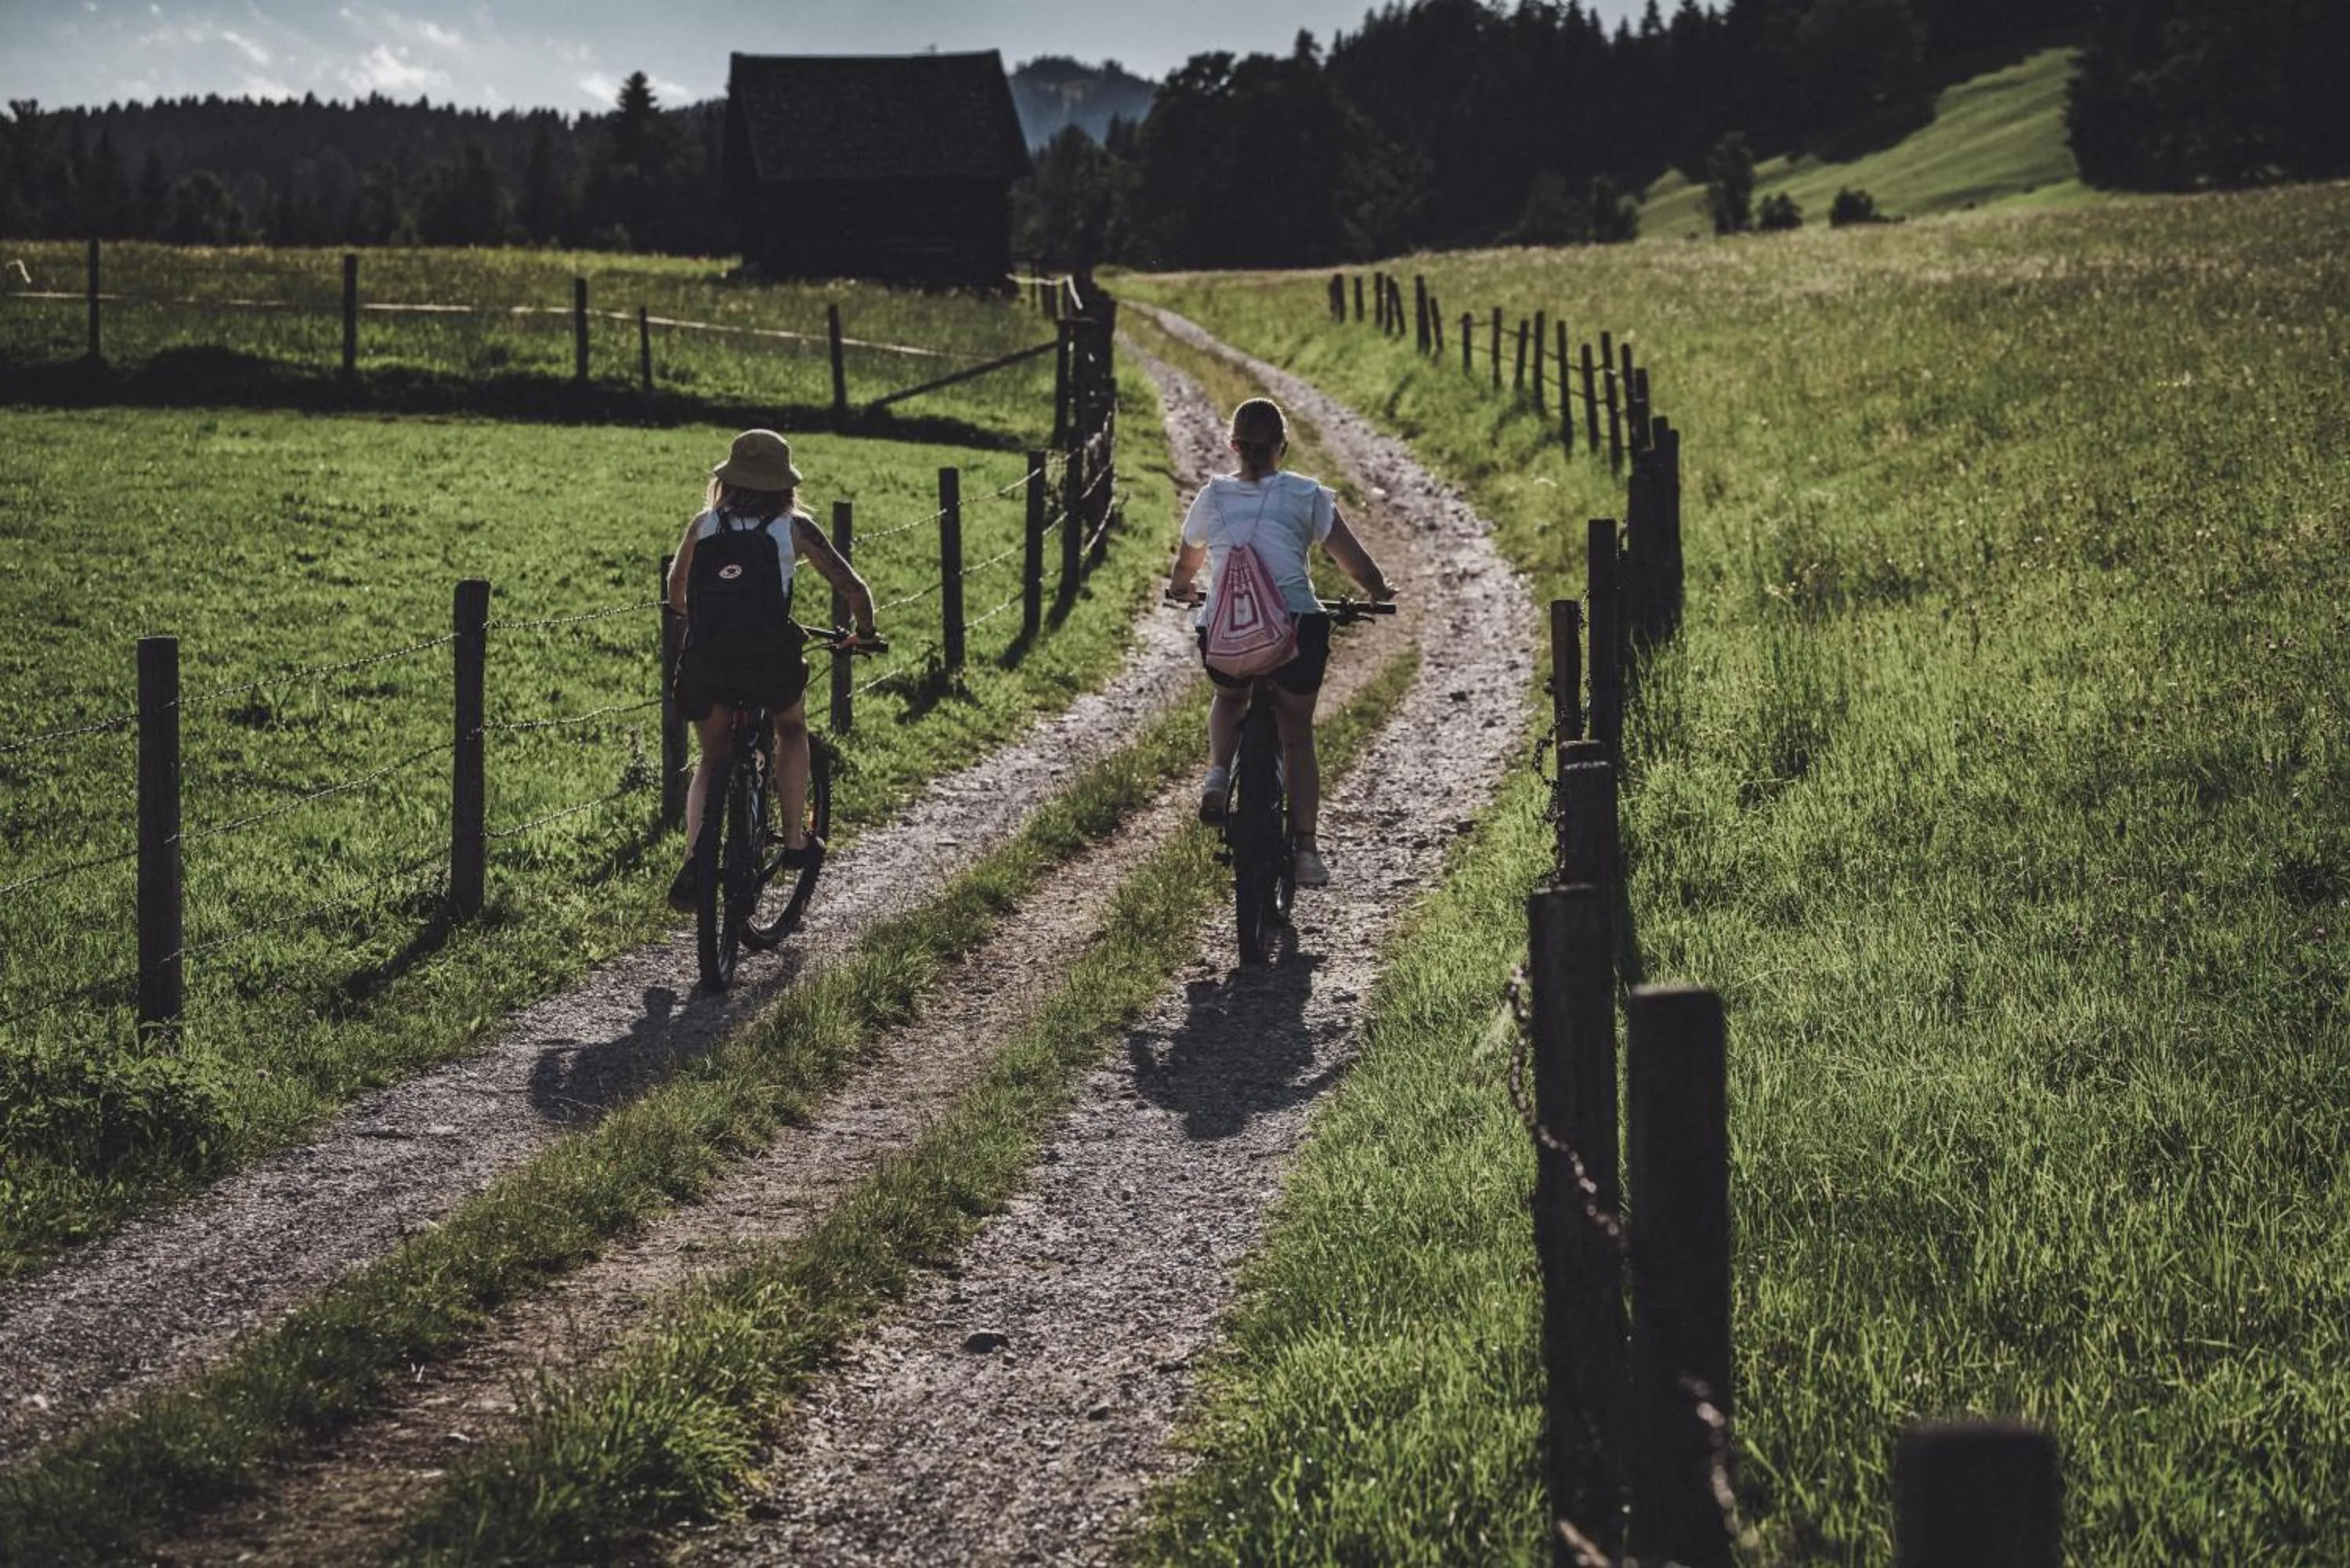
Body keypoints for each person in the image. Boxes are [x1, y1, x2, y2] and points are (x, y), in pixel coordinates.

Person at [1164, 397, 1394, 888]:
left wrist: (1182, 589)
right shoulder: (1307, 495)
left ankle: (1218, 773)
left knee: (1230, 698)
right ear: (1282, 448)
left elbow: (1187, 564)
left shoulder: (1213, 495)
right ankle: (1306, 850)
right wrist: (1378, 592)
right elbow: (1354, 562)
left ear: (1234, 446)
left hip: (1227, 633)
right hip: (1295, 629)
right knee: (1295, 732)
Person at [665, 428, 877, 912]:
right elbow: (853, 588)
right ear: (784, 483)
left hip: (708, 660)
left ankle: (696, 858)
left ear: (727, 478)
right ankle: (796, 842)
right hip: (768, 661)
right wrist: (864, 633)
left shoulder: (703, 524)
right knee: (792, 729)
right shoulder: (795, 528)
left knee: (712, 758)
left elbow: (676, 591)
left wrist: (705, 617)